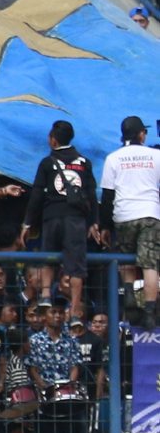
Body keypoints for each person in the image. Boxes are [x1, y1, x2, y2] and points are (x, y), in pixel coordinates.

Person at [20, 119, 100, 320]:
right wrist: (94, 223)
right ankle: (74, 308)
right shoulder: (84, 163)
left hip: (52, 218)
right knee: (76, 266)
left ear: (53, 140)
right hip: (76, 221)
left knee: (48, 257)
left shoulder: (47, 163)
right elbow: (92, 195)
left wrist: (27, 223)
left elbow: (37, 194)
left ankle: (46, 294)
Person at [103, 115, 160, 324]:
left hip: (124, 215)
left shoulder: (113, 158)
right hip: (150, 214)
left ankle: (128, 293)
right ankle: (149, 310)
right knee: (150, 264)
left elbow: (108, 196)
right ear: (141, 134)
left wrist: (105, 226)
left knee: (126, 256)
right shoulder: (156, 156)